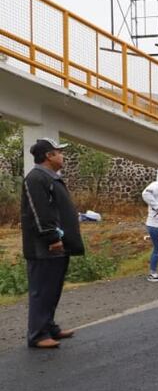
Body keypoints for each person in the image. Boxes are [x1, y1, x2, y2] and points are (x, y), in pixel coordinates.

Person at [21, 138, 84, 349]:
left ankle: (49, 326)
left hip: (58, 245)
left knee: (52, 288)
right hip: (45, 247)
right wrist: (52, 238)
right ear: (49, 156)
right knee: (42, 289)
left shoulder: (50, 177)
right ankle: (38, 334)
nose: (62, 155)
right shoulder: (36, 178)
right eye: (59, 152)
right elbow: (40, 212)